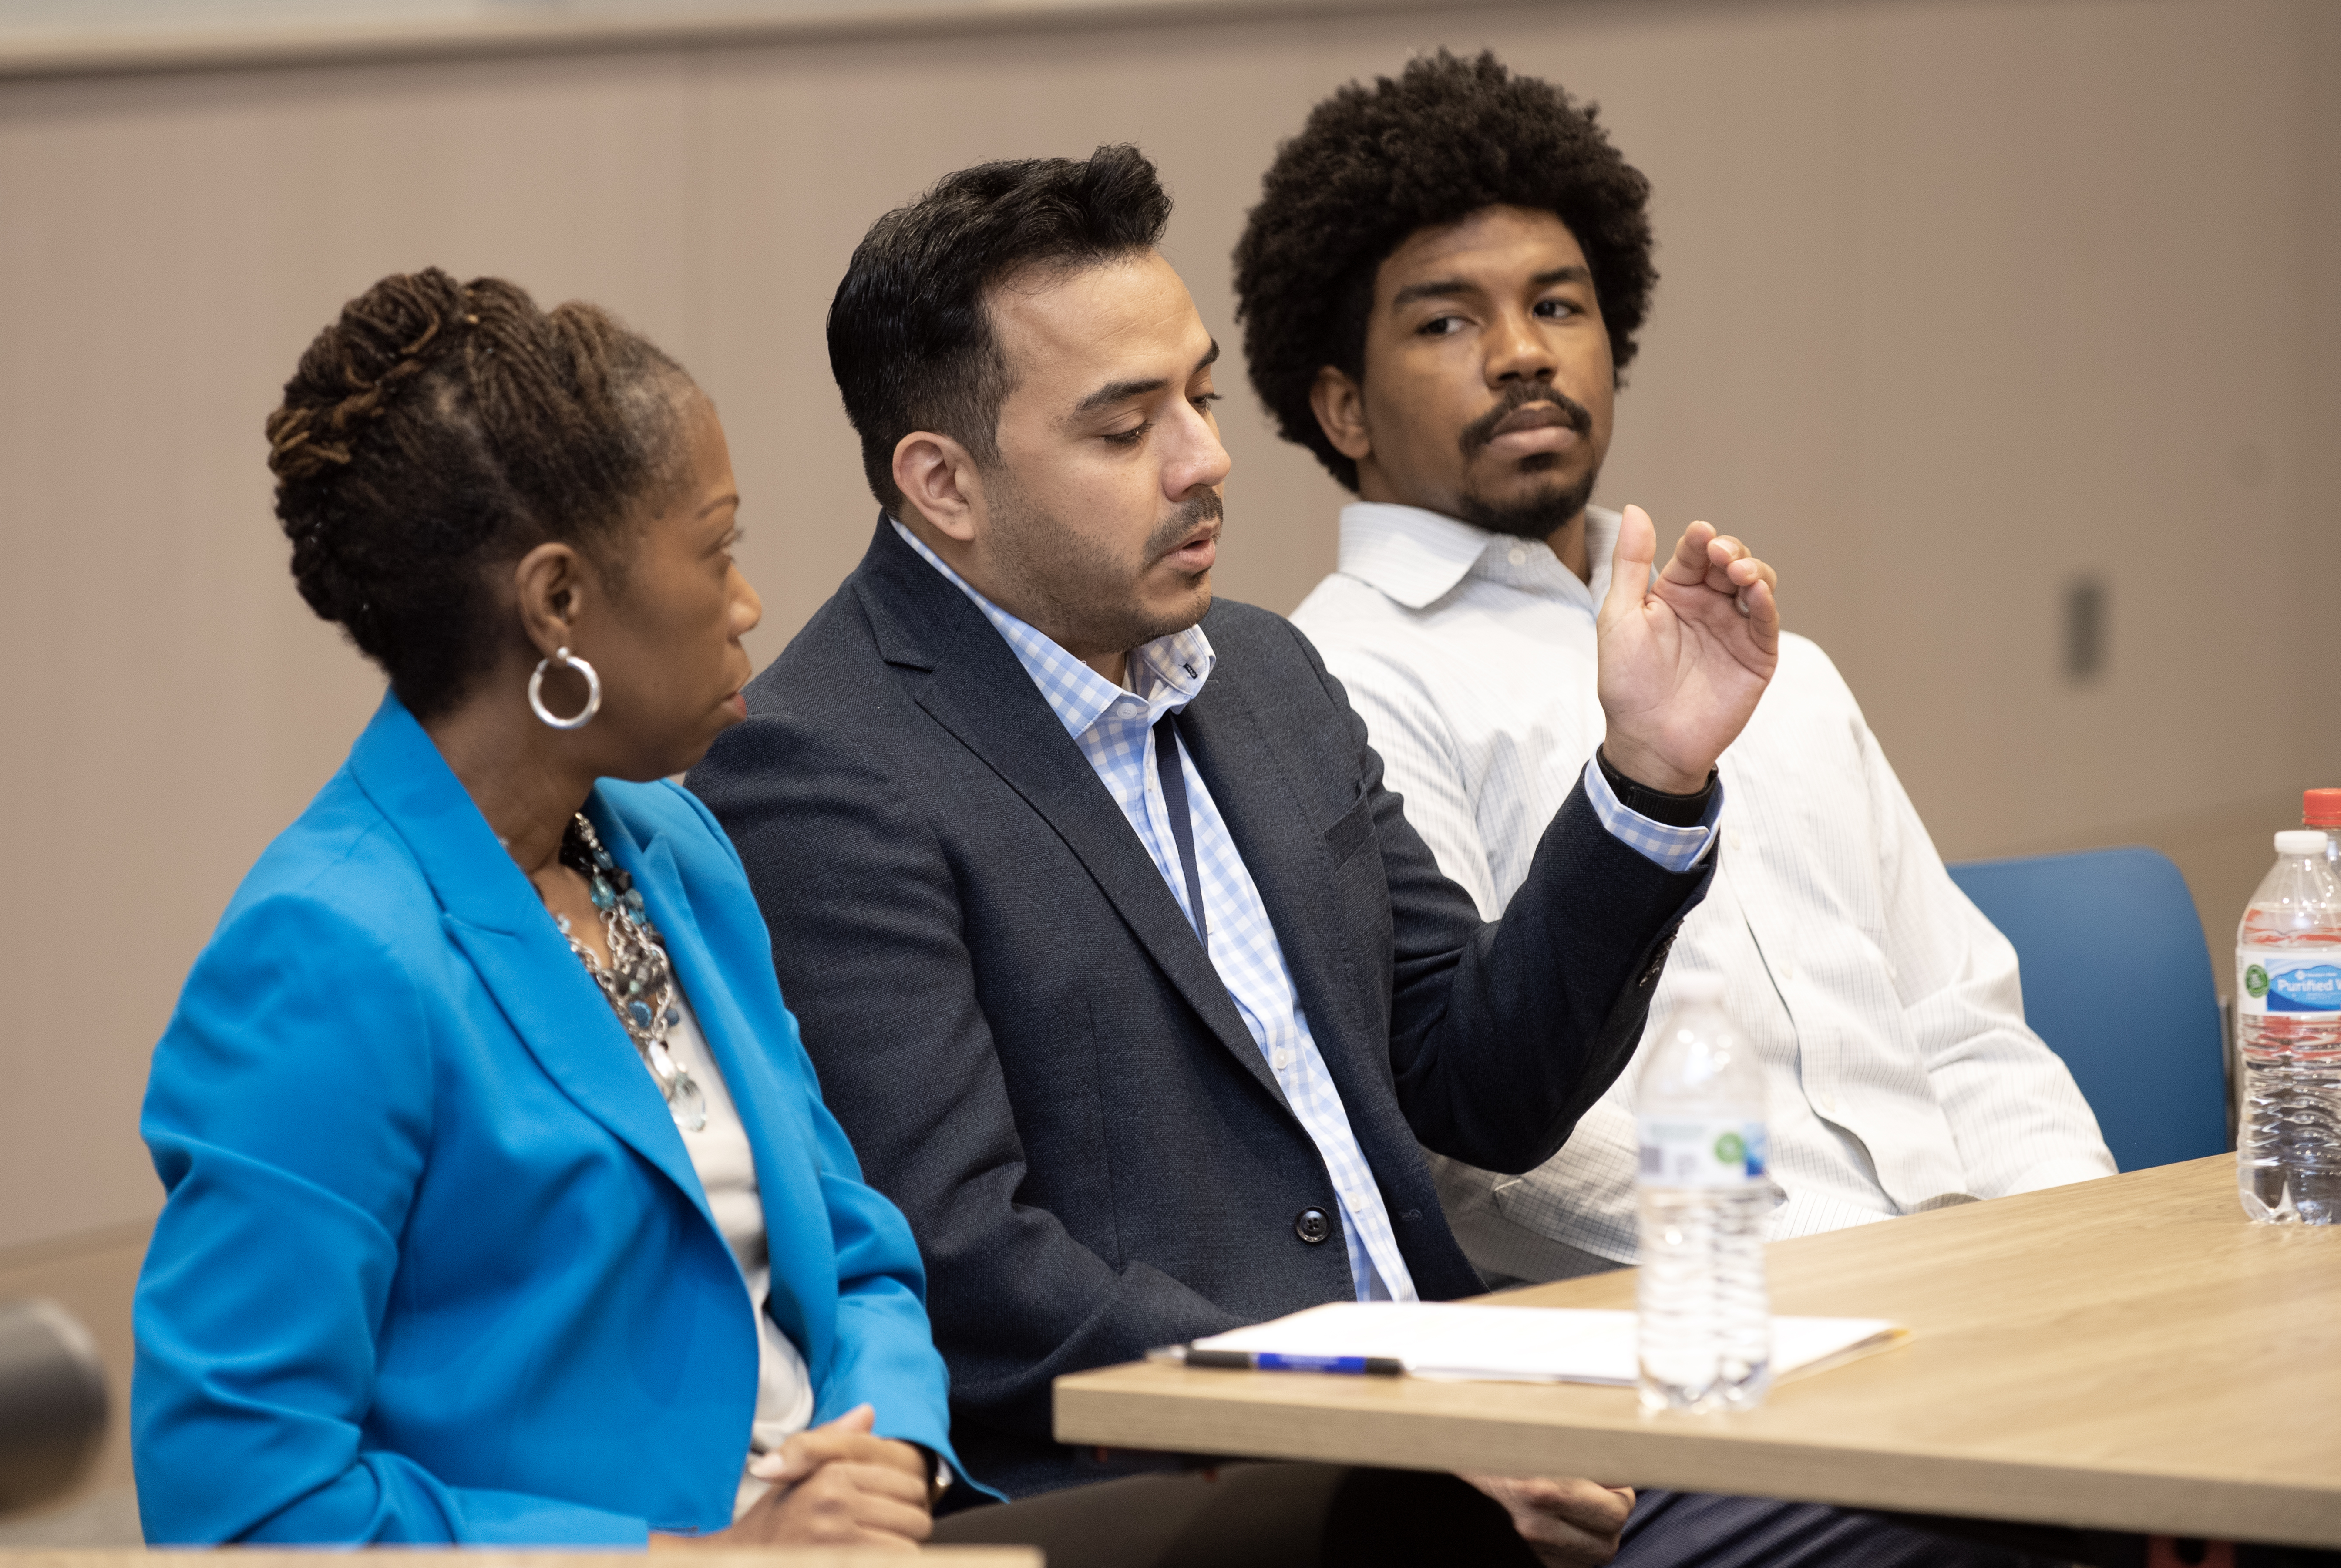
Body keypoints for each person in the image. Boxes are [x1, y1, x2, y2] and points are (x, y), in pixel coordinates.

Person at [689, 144, 1783, 1563]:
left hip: (1468, 1424)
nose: (1205, 461)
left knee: (1942, 1486)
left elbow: (1480, 1084)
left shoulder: (1262, 673)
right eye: (1124, 427)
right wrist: (1387, 1412)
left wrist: (1647, 773)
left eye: (1199, 396)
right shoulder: (822, 764)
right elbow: (970, 1264)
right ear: (942, 482)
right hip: (1219, 1494)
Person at [1230, 52, 2108, 1567]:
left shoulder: (1770, 654)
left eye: (1559, 305)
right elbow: (1472, 1144)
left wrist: (2081, 1275)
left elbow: (1962, 1021)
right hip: (1698, 1368)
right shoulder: (1330, 687)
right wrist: (1825, 1301)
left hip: (1975, 1320)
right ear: (1339, 403)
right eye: (1448, 318)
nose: (1522, 353)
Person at [130, 270, 966, 1547]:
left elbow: (856, 1253)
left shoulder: (672, 845)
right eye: (718, 548)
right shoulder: (327, 955)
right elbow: (245, 1504)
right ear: (558, 603)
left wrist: (890, 1449)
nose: (748, 604)